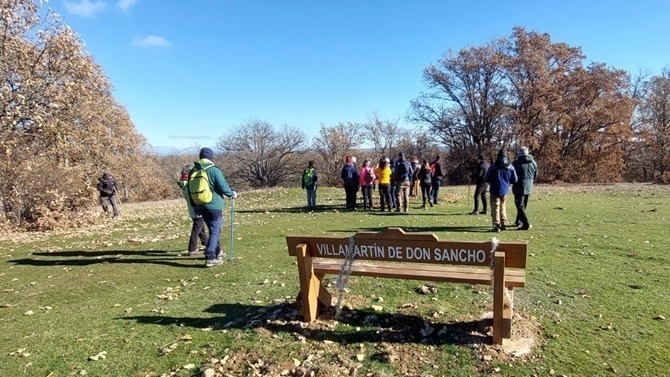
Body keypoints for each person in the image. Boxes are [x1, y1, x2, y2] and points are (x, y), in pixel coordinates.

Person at [190, 147, 237, 267]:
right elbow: (222, 185)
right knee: (215, 230)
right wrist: (231, 194)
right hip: (214, 205)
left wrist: (194, 205)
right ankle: (210, 257)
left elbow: (190, 189)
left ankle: (218, 251)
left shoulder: (193, 170)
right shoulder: (213, 170)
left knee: (212, 230)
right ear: (211, 157)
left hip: (199, 204)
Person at [484, 149, 518, 232]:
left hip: (494, 189)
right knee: (503, 206)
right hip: (505, 189)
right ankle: (504, 223)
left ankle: (496, 225)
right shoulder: (510, 167)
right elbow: (515, 179)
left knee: (495, 207)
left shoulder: (493, 166)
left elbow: (486, 178)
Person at [178, 164, 208, 255]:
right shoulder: (189, 185)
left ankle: (206, 243)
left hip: (192, 210)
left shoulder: (184, 184)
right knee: (197, 228)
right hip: (197, 209)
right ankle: (192, 248)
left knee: (200, 228)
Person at [512, 147, 538, 230]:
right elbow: (535, 174)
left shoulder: (516, 163)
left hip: (519, 186)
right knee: (523, 205)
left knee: (519, 205)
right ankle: (518, 221)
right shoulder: (533, 162)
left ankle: (526, 224)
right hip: (529, 186)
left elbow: (512, 175)